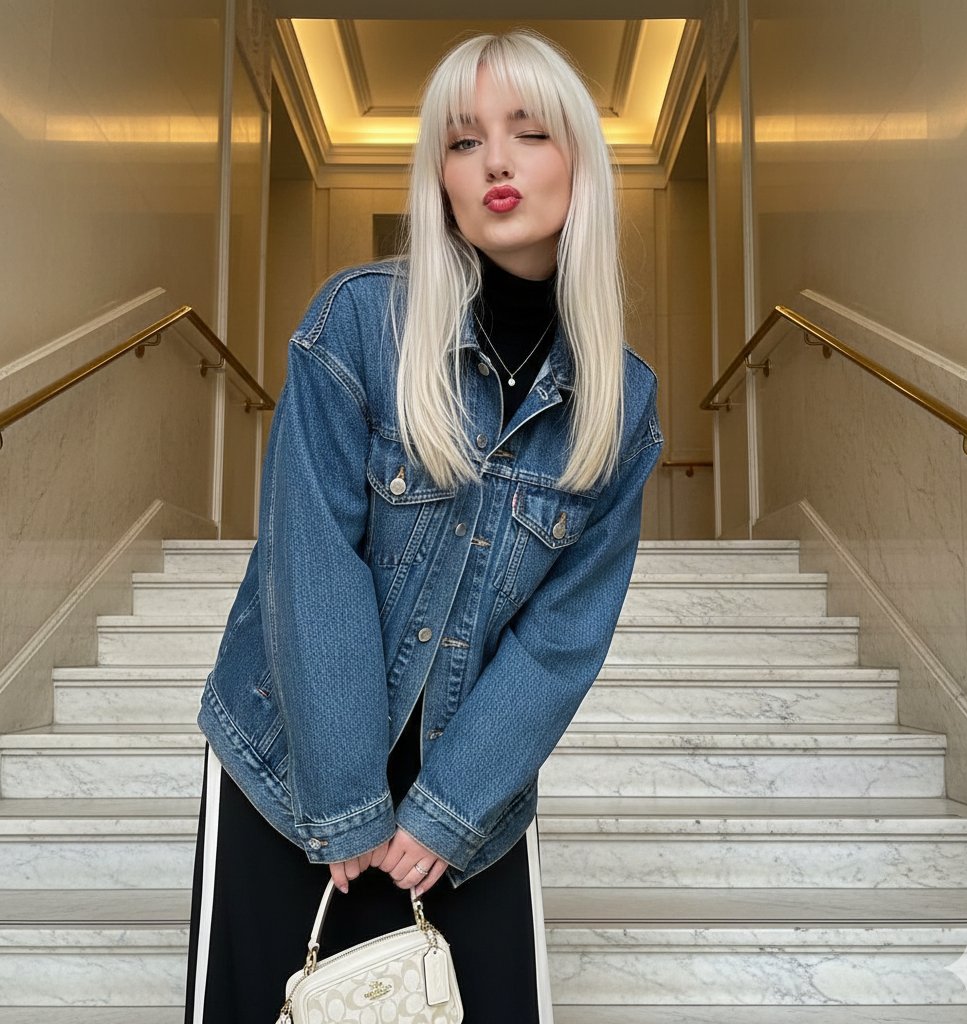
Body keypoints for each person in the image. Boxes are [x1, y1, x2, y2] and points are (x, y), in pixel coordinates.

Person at [183, 26, 664, 1024]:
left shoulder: (623, 402)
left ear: (579, 156)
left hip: (470, 793)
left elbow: (564, 634)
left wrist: (449, 807)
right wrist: (349, 798)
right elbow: (311, 565)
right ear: (437, 178)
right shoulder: (357, 324)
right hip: (295, 763)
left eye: (527, 132)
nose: (493, 160)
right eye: (461, 141)